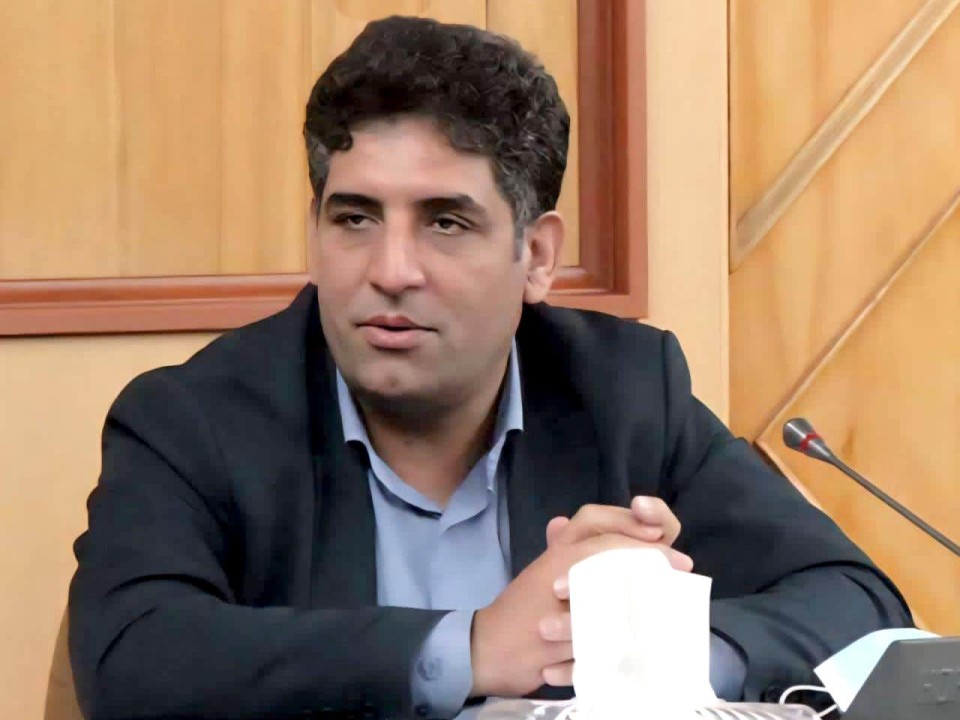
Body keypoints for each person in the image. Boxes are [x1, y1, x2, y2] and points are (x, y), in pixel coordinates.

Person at [68, 15, 910, 720]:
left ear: (536, 256)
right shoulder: (194, 419)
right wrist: (470, 649)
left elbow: (858, 604)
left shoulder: (623, 392)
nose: (391, 270)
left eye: (445, 223)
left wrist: (661, 651)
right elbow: (131, 657)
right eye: (355, 219)